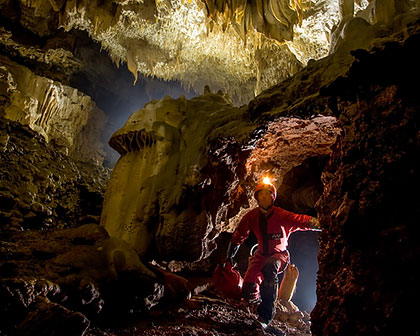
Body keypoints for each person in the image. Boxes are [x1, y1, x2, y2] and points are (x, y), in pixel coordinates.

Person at [226, 178, 321, 327]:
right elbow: (239, 235)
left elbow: (301, 220)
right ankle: (249, 310)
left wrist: (320, 223)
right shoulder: (251, 216)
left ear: (273, 197)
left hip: (279, 255)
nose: (264, 197)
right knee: (249, 287)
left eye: (267, 194)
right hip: (260, 255)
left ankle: (266, 316)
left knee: (270, 267)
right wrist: (230, 255)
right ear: (257, 198)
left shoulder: (281, 215)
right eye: (261, 195)